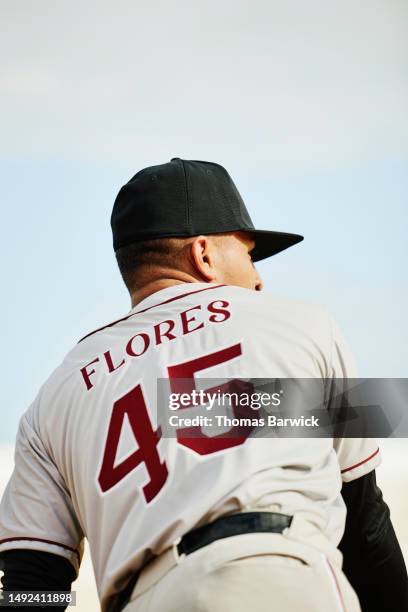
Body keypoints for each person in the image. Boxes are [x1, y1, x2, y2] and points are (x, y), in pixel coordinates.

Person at [0, 158, 407, 612]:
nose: (258, 278)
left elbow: (32, 582)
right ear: (204, 255)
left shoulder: (58, 390)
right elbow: (364, 517)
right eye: (250, 255)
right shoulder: (300, 322)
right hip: (276, 574)